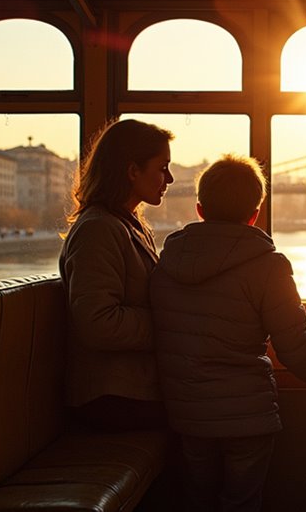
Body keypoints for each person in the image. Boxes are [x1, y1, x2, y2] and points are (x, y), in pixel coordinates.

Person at [149, 153, 306, 512]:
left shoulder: (166, 264)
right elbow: (297, 351)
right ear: (255, 214)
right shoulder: (269, 266)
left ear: (200, 209)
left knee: (197, 502)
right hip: (248, 417)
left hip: (188, 416)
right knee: (243, 503)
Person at [58, 118, 174, 431]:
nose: (170, 179)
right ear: (133, 170)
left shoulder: (127, 224)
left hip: (128, 392)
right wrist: (170, 323)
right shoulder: (98, 229)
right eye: (162, 168)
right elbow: (98, 324)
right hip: (110, 398)